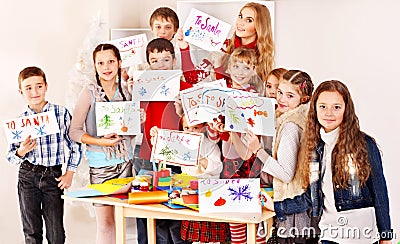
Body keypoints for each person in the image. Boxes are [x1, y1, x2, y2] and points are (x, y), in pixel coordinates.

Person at [298, 80, 393, 244]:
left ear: (346, 110)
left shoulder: (364, 144)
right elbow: (313, 197)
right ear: (314, 109)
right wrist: (277, 206)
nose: (329, 113)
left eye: (336, 107)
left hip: (362, 236)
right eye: (323, 106)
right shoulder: (316, 149)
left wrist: (386, 236)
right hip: (330, 234)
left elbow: (379, 192)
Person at [6, 66, 82, 243]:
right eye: (29, 88)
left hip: (52, 176)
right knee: (32, 231)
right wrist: (22, 151)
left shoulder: (61, 113)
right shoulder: (20, 121)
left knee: (56, 232)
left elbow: (75, 144)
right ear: (21, 91)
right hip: (27, 175)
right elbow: (10, 157)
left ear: (46, 86)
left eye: (39, 86)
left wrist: (70, 172)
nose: (35, 92)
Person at [69, 44, 135, 244]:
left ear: (119, 63)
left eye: (111, 61)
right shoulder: (89, 93)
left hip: (126, 163)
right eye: (101, 63)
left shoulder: (127, 90)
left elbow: (131, 130)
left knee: (122, 220)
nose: (106, 67)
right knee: (105, 224)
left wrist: (136, 121)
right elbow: (74, 131)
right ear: (95, 66)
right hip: (101, 166)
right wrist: (100, 141)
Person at [128, 37, 192, 244]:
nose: (161, 66)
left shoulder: (184, 87)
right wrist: (133, 94)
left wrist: (182, 109)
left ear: (174, 61)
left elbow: (195, 124)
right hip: (146, 152)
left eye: (165, 60)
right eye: (154, 61)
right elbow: (131, 122)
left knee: (175, 206)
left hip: (177, 155)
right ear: (148, 64)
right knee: (146, 203)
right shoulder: (141, 86)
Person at [246, 70, 317, 243]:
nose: (282, 99)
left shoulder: (291, 126)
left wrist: (258, 151)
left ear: (304, 98)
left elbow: (286, 174)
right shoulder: (303, 119)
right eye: (280, 92)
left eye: (290, 95)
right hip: (301, 206)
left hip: (293, 210)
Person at [206, 47, 266, 244]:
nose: (241, 72)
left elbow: (257, 129)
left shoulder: (255, 96)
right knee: (234, 215)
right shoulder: (222, 93)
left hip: (249, 159)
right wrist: (216, 127)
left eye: (246, 68)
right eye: (236, 66)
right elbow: (214, 135)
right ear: (229, 68)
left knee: (253, 214)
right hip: (229, 160)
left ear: (254, 70)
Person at [150, 115, 230, 243]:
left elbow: (218, 168)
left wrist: (202, 160)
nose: (190, 132)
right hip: (188, 193)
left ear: (204, 128)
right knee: (186, 233)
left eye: (195, 128)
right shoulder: (181, 143)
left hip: (207, 195)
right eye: (186, 128)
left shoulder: (210, 145)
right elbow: (164, 153)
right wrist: (156, 139)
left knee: (207, 237)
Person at [177, 2, 274, 85]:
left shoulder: (262, 56)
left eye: (249, 20)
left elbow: (238, 92)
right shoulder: (223, 46)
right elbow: (192, 78)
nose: (240, 22)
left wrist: (218, 67)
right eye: (240, 16)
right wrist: (184, 47)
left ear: (260, 27)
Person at [125, 6, 182, 81]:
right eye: (158, 27)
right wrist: (125, 78)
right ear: (152, 28)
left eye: (168, 27)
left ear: (175, 30)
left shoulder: (181, 52)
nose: (162, 31)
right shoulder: (141, 50)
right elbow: (131, 77)